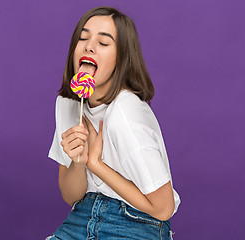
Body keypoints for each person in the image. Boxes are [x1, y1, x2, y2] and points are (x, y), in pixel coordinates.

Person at [46, 6, 180, 240]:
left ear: (122, 59)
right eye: (83, 38)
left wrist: (96, 165)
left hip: (135, 222)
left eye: (104, 43)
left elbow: (163, 208)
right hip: (81, 217)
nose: (89, 46)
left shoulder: (125, 112)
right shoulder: (68, 106)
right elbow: (71, 196)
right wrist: (79, 163)